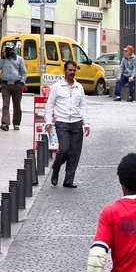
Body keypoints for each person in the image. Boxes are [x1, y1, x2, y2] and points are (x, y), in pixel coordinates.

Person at [45, 60, 91, 188]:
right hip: (62, 122)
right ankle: (56, 168)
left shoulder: (79, 87)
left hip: (76, 123)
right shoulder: (57, 86)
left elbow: (83, 106)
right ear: (64, 70)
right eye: (69, 70)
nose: (72, 72)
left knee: (74, 153)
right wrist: (48, 121)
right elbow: (50, 105)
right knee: (64, 150)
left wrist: (86, 123)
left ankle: (68, 180)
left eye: (74, 70)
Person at [0, 42, 27, 131]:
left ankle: (16, 123)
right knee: (5, 104)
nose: (8, 51)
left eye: (10, 49)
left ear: (13, 50)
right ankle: (5, 123)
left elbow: (24, 72)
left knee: (16, 105)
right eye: (7, 49)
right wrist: (2, 58)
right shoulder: (2, 59)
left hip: (16, 84)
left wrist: (22, 82)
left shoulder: (19, 59)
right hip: (5, 85)